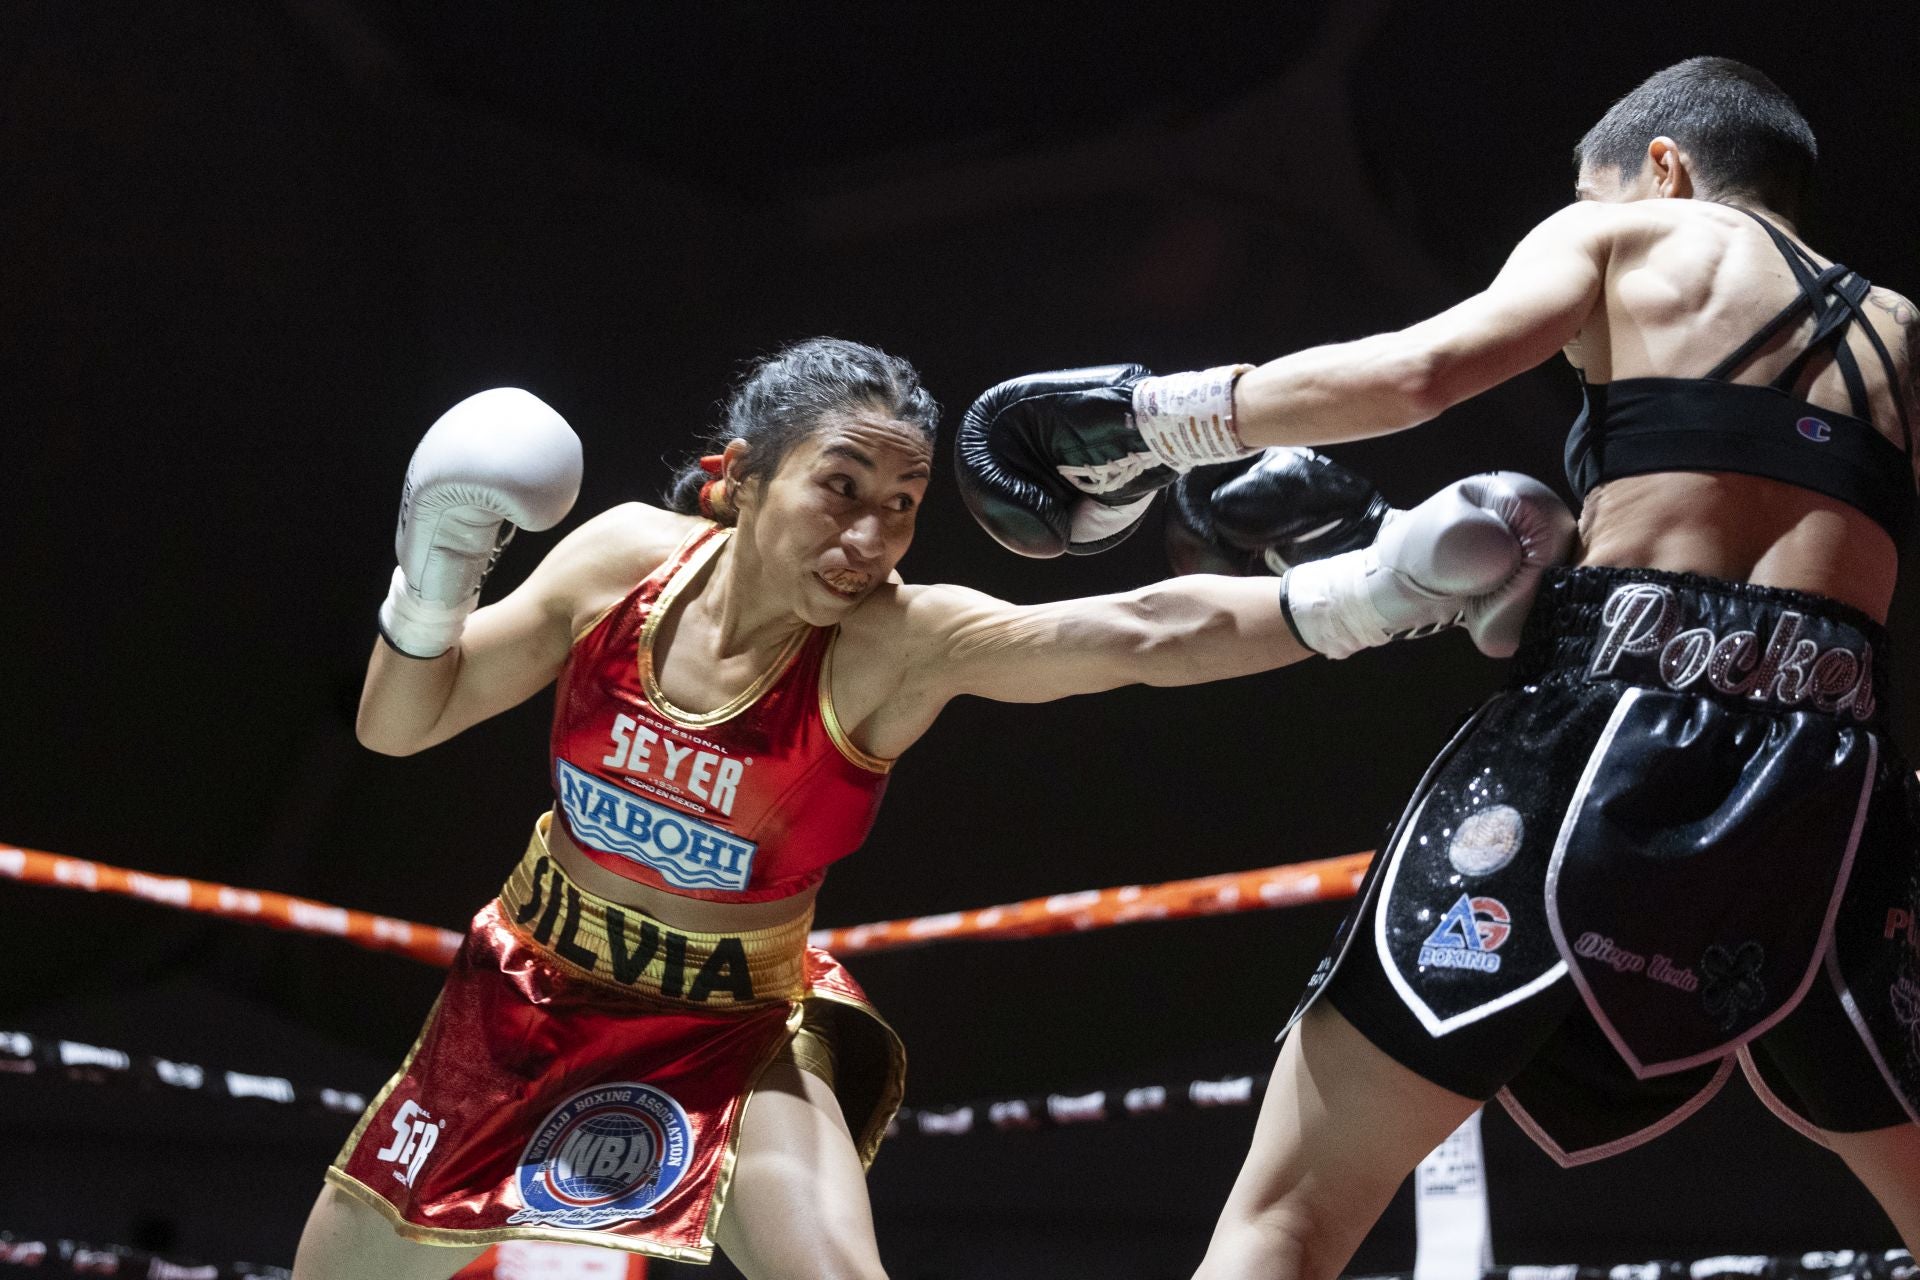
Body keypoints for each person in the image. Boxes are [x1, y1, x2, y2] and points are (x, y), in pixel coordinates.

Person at [291, 338, 1569, 1280]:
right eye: (841, 489)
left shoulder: (895, 646)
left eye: (899, 508)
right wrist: (436, 565)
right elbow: (398, 721)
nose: (871, 537)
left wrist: (1373, 590)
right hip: (528, 994)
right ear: (739, 480)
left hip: (729, 1027)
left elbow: (1137, 629)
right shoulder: (621, 561)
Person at [962, 56, 1920, 1276]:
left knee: (1292, 1211)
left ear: (1663, 170)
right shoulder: (1907, 336)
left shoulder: (1629, 236)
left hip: (1604, 740)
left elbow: (1418, 373)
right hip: (1833, 792)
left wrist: (1157, 419)